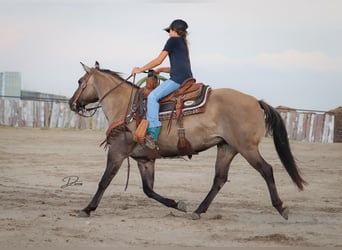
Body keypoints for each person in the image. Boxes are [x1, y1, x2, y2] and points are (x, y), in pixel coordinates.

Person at [131, 19, 193, 149]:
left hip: (177, 80)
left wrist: (140, 69)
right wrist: (160, 70)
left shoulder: (173, 40)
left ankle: (153, 133)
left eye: (169, 31)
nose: (169, 34)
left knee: (153, 97)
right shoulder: (182, 43)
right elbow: (178, 67)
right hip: (186, 78)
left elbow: (158, 60)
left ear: (173, 30)